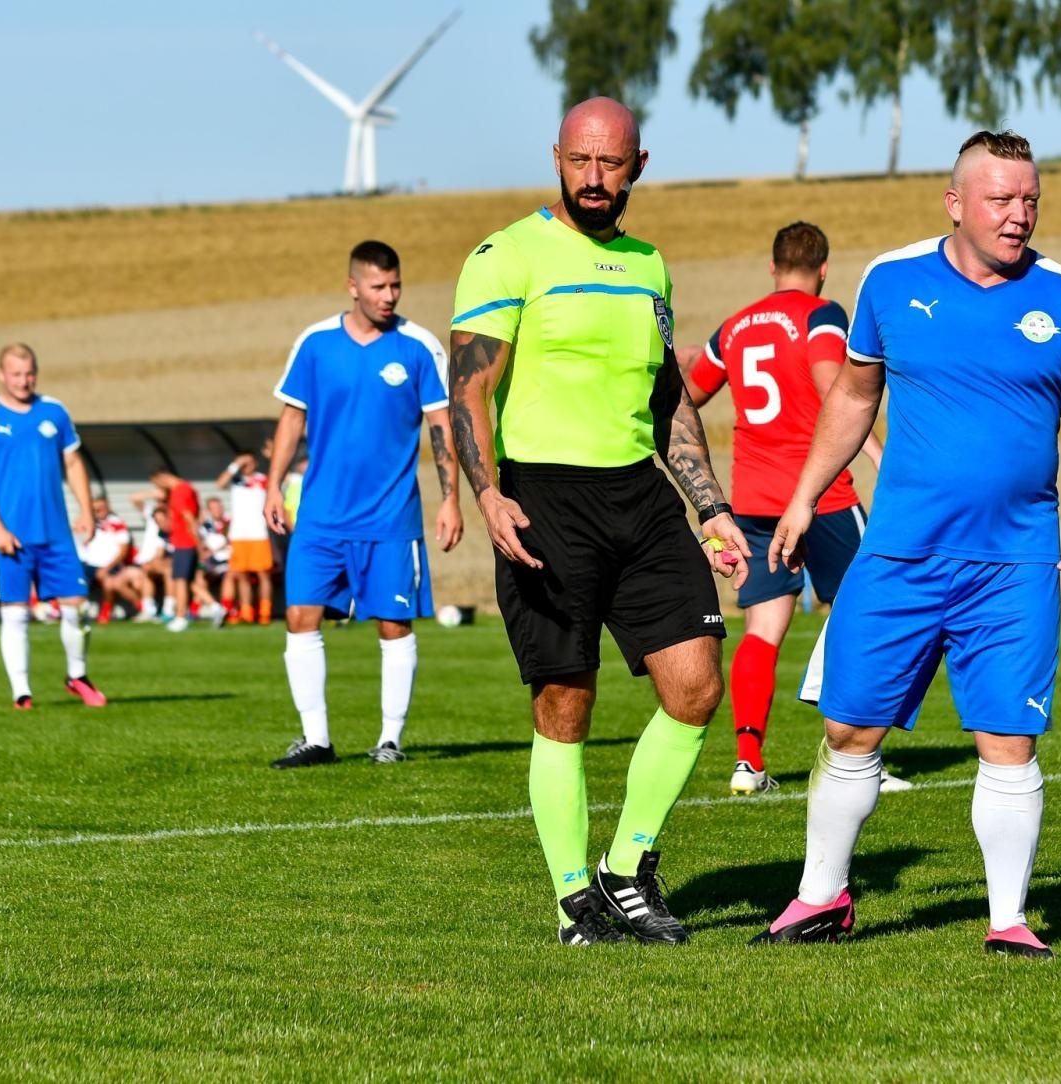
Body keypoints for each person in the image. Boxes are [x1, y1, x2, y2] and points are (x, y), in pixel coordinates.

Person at [750, 130, 1061, 957]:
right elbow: (853, 397)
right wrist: (806, 496)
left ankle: (1008, 921)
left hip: (1016, 563)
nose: (1018, 215)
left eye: (1030, 199)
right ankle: (820, 900)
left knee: (1007, 740)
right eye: (1001, 200)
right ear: (955, 203)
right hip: (899, 557)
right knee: (850, 731)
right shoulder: (892, 280)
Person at [448, 96, 748, 946]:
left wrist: (711, 504)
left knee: (695, 687)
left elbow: (667, 396)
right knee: (564, 703)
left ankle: (627, 871)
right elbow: (467, 384)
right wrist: (487, 492)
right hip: (544, 498)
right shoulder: (506, 254)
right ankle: (575, 897)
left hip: (643, 498)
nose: (593, 178)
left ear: (637, 167)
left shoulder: (650, 264)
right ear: (556, 160)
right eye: (580, 161)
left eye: (610, 163)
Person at [677, 221, 883, 795]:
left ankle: (748, 761)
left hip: (754, 503)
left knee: (763, 629)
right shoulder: (822, 315)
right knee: (864, 618)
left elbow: (689, 395)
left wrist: (675, 361)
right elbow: (833, 386)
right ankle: (859, 759)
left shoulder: (736, 326)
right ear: (823, 269)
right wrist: (875, 452)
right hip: (822, 496)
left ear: (772, 268)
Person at [264, 239, 463, 768]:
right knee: (301, 616)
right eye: (378, 286)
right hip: (320, 516)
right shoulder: (315, 344)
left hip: (390, 517)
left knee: (393, 626)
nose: (389, 295)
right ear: (353, 286)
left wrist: (450, 501)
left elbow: (442, 427)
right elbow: (291, 420)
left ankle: (389, 740)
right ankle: (316, 740)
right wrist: (271, 486)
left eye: (395, 285)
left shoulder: (419, 347)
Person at [0, 343, 107, 708]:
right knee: (16, 614)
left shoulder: (54, 412)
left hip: (56, 533)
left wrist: (87, 511)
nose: (23, 381)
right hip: (10, 536)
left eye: (29, 374)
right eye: (16, 374)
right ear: (1, 375)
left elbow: (73, 464)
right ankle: (22, 692)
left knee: (77, 607)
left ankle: (77, 676)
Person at [148, 465, 220, 632]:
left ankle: (181, 617)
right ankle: (216, 607)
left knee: (180, 580)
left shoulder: (179, 492)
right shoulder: (189, 488)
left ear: (162, 477)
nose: (158, 488)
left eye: (157, 484)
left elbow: (189, 518)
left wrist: (198, 544)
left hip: (185, 542)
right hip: (186, 541)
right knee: (188, 581)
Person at [217, 448, 275, 624]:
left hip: (259, 534)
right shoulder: (235, 480)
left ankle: (265, 612)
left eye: (249, 462)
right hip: (238, 535)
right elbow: (220, 484)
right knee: (241, 575)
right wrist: (236, 464)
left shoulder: (262, 479)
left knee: (263, 574)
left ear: (255, 463)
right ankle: (246, 612)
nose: (246, 466)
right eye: (243, 462)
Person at [81, 495, 135, 623]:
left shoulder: (118, 524)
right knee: (73, 578)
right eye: (96, 508)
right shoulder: (87, 523)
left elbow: (123, 551)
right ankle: (68, 610)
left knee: (108, 582)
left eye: (102, 507)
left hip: (110, 565)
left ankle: (106, 609)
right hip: (89, 564)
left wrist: (107, 568)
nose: (99, 510)